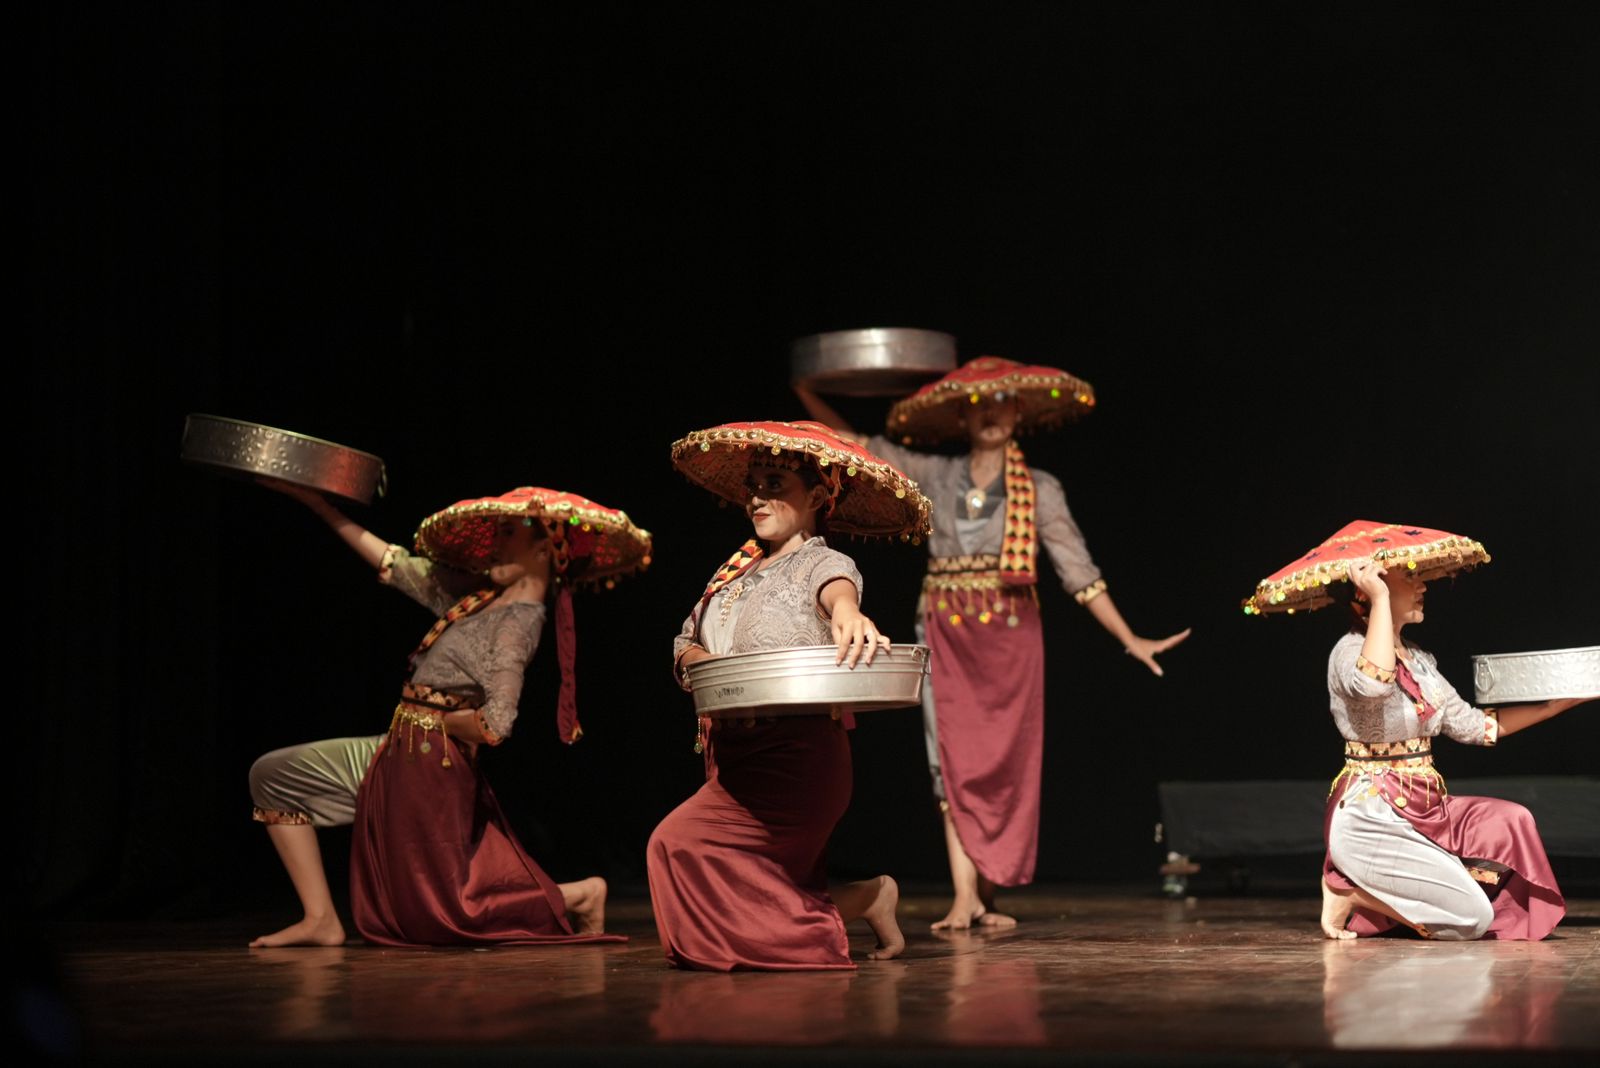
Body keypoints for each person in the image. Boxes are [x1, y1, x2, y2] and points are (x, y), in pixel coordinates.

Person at [798, 360, 1190, 930]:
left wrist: (1129, 637)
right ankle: (965, 896)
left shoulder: (1041, 488)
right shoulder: (936, 473)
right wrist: (807, 390)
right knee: (951, 756)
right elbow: (857, 442)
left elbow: (1078, 571)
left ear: (1018, 412)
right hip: (947, 627)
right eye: (978, 404)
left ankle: (986, 892)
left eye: (1002, 402)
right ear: (962, 415)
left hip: (1010, 636)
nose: (991, 414)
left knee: (1002, 762)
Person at [247, 479, 648, 947]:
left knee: (445, 913)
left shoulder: (516, 626)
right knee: (274, 777)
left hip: (428, 766)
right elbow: (394, 563)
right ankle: (320, 918)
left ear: (544, 549)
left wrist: (441, 722)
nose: (495, 543)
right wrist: (320, 506)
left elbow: (496, 725)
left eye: (509, 533)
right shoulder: (475, 597)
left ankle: (579, 894)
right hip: (400, 750)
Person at [647, 420, 925, 969]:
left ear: (816, 497)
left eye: (775, 484)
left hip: (796, 757)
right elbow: (685, 640)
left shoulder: (822, 562)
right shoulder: (733, 574)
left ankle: (852, 907)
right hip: (734, 760)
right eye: (753, 485)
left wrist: (849, 613)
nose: (757, 497)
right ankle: (866, 897)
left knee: (684, 849)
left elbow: (839, 593)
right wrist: (701, 663)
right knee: (727, 874)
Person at [1319, 556, 1587, 940]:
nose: (1422, 586)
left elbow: (1472, 726)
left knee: (1511, 821)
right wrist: (1378, 600)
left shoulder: (1419, 660)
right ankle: (1348, 894)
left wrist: (1552, 707)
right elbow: (1374, 684)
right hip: (1372, 815)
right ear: (1369, 588)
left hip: (1424, 807)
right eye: (1409, 577)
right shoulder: (1348, 652)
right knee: (1472, 918)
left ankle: (1416, 890)